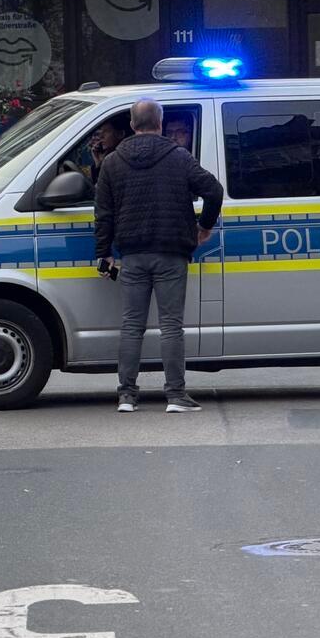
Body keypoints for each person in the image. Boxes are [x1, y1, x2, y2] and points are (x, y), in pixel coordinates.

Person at [94, 98, 223, 413]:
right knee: (170, 325)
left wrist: (104, 253)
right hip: (171, 252)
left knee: (131, 325)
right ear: (160, 123)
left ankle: (126, 395)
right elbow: (214, 191)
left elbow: (104, 212)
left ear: (133, 124)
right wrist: (203, 227)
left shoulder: (112, 161)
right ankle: (176, 396)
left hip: (133, 253)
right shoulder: (178, 157)